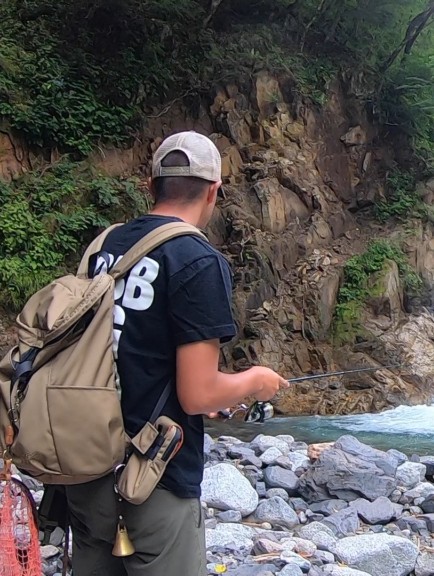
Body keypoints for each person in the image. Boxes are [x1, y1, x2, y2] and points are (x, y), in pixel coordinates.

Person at [64, 131, 289, 575]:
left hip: (86, 470)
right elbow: (197, 394)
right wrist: (255, 382)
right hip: (153, 481)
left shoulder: (103, 247)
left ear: (151, 187)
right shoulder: (196, 259)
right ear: (213, 191)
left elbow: (122, 352)